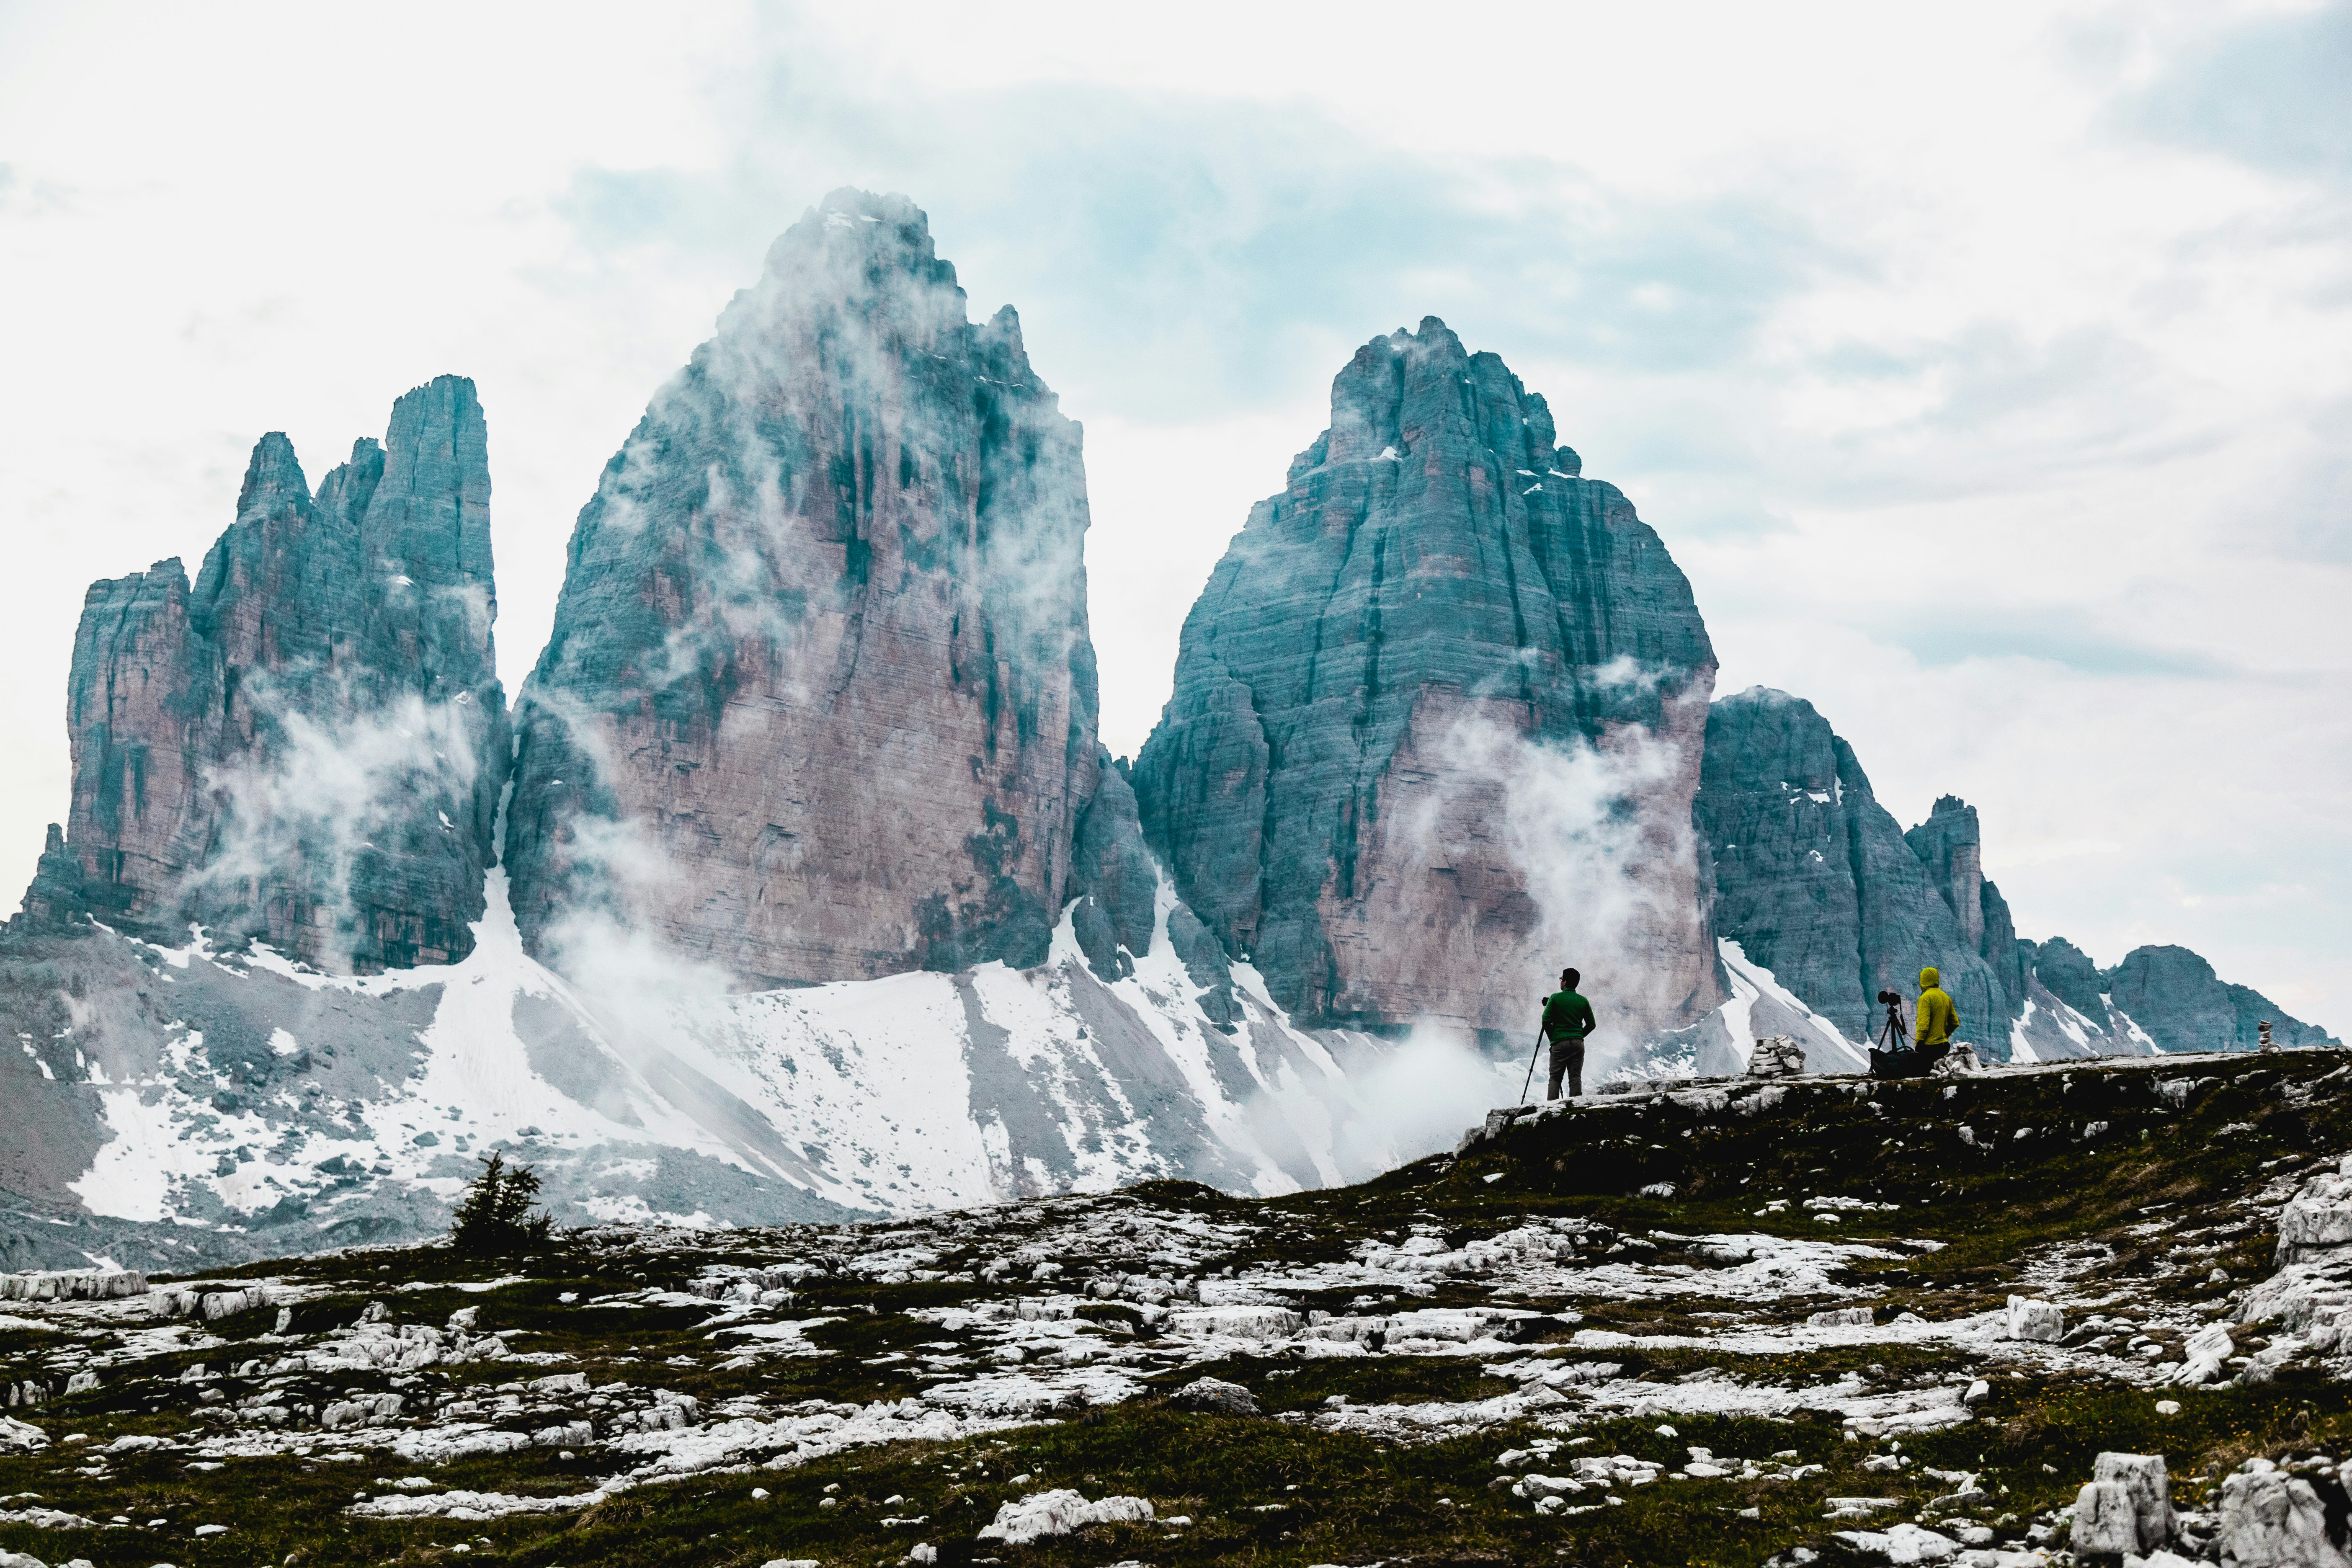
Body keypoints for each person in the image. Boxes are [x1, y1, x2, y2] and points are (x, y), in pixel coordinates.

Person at [1540, 967, 1597, 1099]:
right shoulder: (1583, 1000)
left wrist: (1553, 1038)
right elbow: (1592, 1025)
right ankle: (1576, 1108)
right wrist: (1579, 1035)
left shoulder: (1555, 998)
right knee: (1575, 1077)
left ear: (1565, 982)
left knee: (1555, 1077)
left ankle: (1551, 1109)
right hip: (1578, 1044)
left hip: (1560, 1043)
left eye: (1561, 979)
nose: (1561, 982)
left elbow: (1546, 1020)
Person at [1913, 965, 1957, 1071]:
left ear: (1923, 980)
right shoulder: (1946, 997)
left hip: (1928, 1048)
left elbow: (1924, 1025)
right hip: (1943, 1046)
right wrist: (1944, 1035)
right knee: (1939, 1073)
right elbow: (1954, 1022)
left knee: (1925, 1074)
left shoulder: (1925, 998)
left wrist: (1919, 1043)